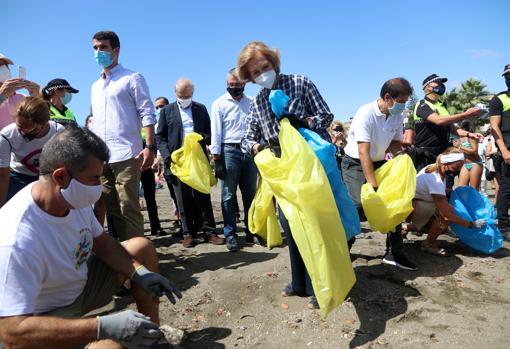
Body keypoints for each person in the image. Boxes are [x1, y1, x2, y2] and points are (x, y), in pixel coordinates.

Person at [0, 127, 181, 349]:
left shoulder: (72, 199)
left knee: (140, 248)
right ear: (61, 176)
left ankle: (152, 339)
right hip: (42, 317)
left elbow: (102, 243)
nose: (99, 186)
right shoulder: (15, 240)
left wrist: (139, 272)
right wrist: (100, 327)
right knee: (112, 346)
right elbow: (12, 334)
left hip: (79, 290)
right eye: (94, 178)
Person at [237, 41, 334, 308]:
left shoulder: (301, 83)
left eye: (264, 67)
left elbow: (326, 117)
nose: (262, 74)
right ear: (249, 77)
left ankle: (320, 284)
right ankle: (299, 282)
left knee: (315, 225)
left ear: (274, 63)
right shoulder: (257, 102)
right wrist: (255, 146)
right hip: (283, 172)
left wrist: (299, 118)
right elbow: (248, 137)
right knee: (291, 225)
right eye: (255, 73)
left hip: (311, 167)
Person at [342, 77, 417, 270]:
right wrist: (373, 186)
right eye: (400, 101)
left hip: (379, 161)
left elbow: (393, 142)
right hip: (356, 163)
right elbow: (363, 152)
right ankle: (342, 250)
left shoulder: (396, 115)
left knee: (395, 203)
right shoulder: (365, 113)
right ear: (387, 97)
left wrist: (401, 157)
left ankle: (395, 253)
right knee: (358, 204)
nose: (402, 106)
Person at [90, 31, 157, 241]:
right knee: (111, 208)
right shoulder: (95, 86)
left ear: (115, 50)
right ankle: (124, 253)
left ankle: (139, 258)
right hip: (103, 157)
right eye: (95, 48)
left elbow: (147, 112)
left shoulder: (132, 78)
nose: (98, 52)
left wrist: (150, 146)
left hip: (127, 153)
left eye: (103, 47)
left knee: (130, 206)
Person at [156, 78, 225, 248]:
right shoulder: (167, 111)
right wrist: (167, 157)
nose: (184, 98)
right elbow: (160, 136)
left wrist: (202, 138)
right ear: (175, 93)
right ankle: (188, 233)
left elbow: (209, 132)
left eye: (187, 95)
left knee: (203, 195)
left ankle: (209, 232)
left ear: (192, 93)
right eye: (181, 95)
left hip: (198, 160)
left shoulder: (200, 109)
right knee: (182, 198)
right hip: (178, 161)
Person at [403, 148, 485, 255]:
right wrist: (471, 224)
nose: (457, 170)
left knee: (442, 225)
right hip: (417, 206)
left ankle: (404, 228)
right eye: (456, 167)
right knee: (444, 219)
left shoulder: (435, 167)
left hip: (419, 203)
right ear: (446, 163)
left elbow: (435, 191)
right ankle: (427, 244)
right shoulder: (435, 179)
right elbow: (447, 215)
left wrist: (454, 193)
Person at [211, 68, 258, 251]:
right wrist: (217, 160)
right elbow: (216, 132)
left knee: (250, 195)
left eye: (238, 85)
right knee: (228, 195)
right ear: (227, 84)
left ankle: (251, 231)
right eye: (231, 85)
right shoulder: (219, 104)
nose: (235, 87)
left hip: (249, 151)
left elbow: (257, 126)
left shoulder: (252, 102)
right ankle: (230, 234)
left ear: (244, 84)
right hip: (229, 150)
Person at [407, 74, 483, 172]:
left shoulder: (442, 106)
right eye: (438, 83)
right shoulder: (422, 105)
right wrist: (466, 114)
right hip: (425, 153)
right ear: (428, 87)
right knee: (424, 184)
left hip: (443, 153)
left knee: (444, 185)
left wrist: (469, 134)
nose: (441, 85)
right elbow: (438, 121)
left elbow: (451, 127)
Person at [0, 96, 64, 207]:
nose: (22, 132)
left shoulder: (59, 132)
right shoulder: (6, 135)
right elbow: (3, 177)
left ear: (44, 124)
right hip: (17, 176)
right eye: (19, 127)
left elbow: (63, 168)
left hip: (48, 177)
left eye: (28, 129)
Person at [489, 63, 510, 240]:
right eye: (507, 76)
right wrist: (504, 150)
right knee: (506, 187)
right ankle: (503, 224)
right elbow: (494, 126)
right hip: (508, 148)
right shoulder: (499, 99)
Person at [155, 96, 180, 225]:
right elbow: (159, 144)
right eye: (157, 107)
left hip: (178, 158)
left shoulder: (173, 120)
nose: (159, 109)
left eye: (161, 106)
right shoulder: (156, 125)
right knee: (173, 191)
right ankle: (178, 215)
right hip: (166, 160)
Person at [0, 53, 40, 130]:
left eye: (6, 66)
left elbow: (38, 121)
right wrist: (1, 96)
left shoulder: (22, 97)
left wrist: (35, 97)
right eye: (0, 65)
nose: (5, 69)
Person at [453, 120, 483, 190]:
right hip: (465, 165)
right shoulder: (459, 138)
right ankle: (465, 201)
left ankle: (474, 201)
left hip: (475, 164)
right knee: (461, 188)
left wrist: (460, 146)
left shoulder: (472, 137)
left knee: (474, 189)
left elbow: (475, 151)